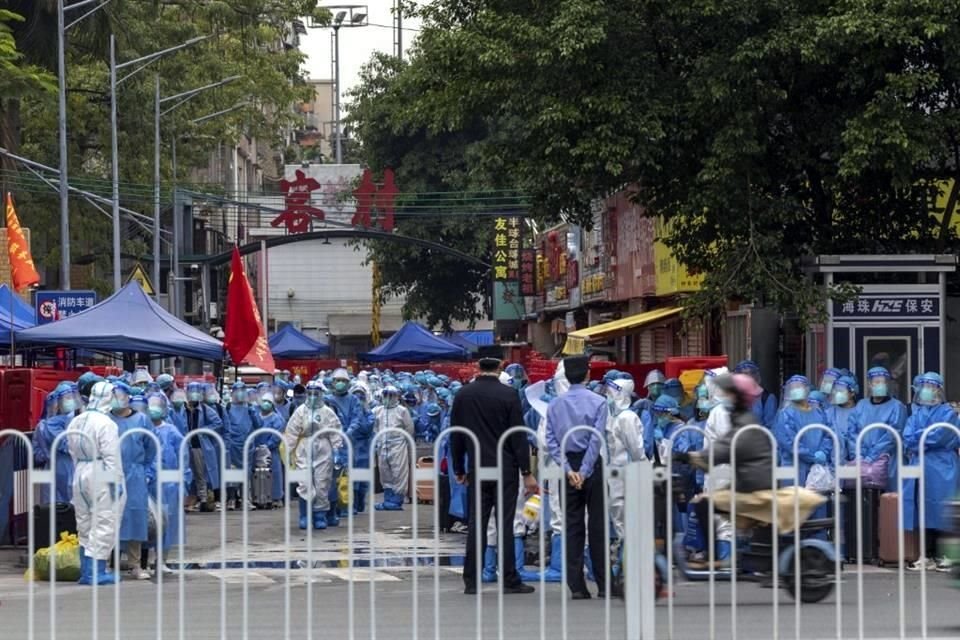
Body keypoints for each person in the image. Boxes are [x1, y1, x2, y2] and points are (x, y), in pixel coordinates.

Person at [450, 357, 536, 595]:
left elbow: (456, 435)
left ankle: (471, 580)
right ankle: (509, 578)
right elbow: (518, 436)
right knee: (505, 524)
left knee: (477, 523)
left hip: (477, 466)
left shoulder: (463, 395)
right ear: (499, 367)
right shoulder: (509, 395)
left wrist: (458, 467)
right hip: (504, 467)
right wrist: (526, 471)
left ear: (478, 367)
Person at [682, 374, 772, 566]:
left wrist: (695, 458)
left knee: (716, 514)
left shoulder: (735, 417)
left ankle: (722, 558)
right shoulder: (738, 415)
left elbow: (726, 446)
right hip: (735, 475)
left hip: (740, 479)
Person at [545, 355, 608, 600]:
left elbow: (551, 440)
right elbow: (595, 439)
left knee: (572, 525)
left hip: (567, 464)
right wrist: (584, 470)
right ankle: (604, 583)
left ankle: (577, 586)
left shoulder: (554, 405)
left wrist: (568, 469)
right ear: (587, 375)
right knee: (597, 524)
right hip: (590, 465)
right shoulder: (599, 402)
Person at [68, 381, 125, 586]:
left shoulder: (77, 420)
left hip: (80, 471)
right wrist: (116, 482)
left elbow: (71, 451)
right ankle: (96, 572)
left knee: (84, 522)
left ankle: (85, 570)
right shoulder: (106, 423)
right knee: (104, 521)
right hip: (100, 472)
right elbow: (111, 456)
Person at [902, 372, 960, 572]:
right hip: (921, 465)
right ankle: (925, 555)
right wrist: (923, 437)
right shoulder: (917, 413)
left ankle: (945, 556)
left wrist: (921, 438)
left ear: (939, 389)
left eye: (931, 386)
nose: (926, 389)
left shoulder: (947, 413)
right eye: (924, 385)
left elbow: (940, 436)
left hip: (943, 467)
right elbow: (907, 436)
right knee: (923, 511)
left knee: (943, 510)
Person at [110, 382, 156, 581]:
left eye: (120, 395)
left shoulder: (142, 420)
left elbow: (151, 447)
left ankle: (135, 564)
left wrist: (145, 470)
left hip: (135, 474)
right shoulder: (106, 419)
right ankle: (109, 563)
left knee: (136, 517)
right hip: (111, 473)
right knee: (110, 518)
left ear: (128, 397)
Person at [282, 381, 343, 530]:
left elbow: (336, 431)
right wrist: (289, 451)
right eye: (310, 393)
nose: (313, 397)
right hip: (304, 447)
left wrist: (337, 451)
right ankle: (305, 515)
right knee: (304, 482)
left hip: (323, 447)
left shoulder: (328, 412)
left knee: (322, 482)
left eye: (316, 394)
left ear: (322, 394)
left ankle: (319, 516)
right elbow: (292, 432)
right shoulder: (300, 411)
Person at [145, 392, 190, 573]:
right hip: (149, 483)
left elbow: (183, 458)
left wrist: (184, 481)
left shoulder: (171, 432)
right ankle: (145, 560)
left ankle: (162, 560)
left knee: (168, 522)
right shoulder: (144, 429)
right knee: (149, 522)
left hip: (170, 484)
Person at [845, 366, 908, 492]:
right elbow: (852, 432)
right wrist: (859, 454)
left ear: (888, 384)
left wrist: (872, 456)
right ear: (869, 384)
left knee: (888, 501)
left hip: (889, 460)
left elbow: (892, 435)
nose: (880, 385)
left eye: (883, 382)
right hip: (862, 461)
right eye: (876, 382)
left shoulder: (897, 407)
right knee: (864, 502)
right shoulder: (862, 405)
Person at [605, 377, 646, 542]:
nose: (607, 396)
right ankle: (624, 556)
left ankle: (630, 556)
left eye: (610, 393)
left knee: (627, 514)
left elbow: (636, 449)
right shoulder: (614, 416)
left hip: (627, 472)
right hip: (616, 473)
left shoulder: (627, 417)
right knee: (618, 513)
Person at [774, 375, 833, 487]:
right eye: (792, 388)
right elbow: (789, 442)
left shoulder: (819, 413)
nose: (795, 390)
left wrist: (823, 452)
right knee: (794, 502)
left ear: (807, 389)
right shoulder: (785, 414)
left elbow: (828, 434)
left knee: (816, 501)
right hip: (793, 468)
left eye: (798, 387)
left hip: (816, 468)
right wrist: (812, 457)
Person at [373, 386, 416, 511]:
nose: (388, 398)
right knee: (384, 471)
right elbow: (375, 427)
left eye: (390, 395)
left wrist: (406, 442)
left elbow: (409, 428)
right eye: (385, 395)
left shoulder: (402, 410)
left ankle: (397, 500)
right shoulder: (377, 410)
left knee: (398, 471)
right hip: (382, 444)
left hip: (397, 445)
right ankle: (387, 499)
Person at [34, 387, 78, 504]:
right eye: (67, 398)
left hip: (71, 469)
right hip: (55, 470)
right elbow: (36, 452)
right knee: (53, 509)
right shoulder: (47, 425)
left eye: (72, 397)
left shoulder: (76, 420)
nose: (71, 401)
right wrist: (46, 455)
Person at [225, 381, 258, 511]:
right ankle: (232, 499)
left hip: (247, 445)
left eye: (242, 390)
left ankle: (245, 499)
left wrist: (254, 413)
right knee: (233, 472)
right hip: (233, 445)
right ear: (232, 392)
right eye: (237, 390)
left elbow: (258, 425)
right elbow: (225, 425)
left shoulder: (249, 408)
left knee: (246, 473)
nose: (240, 393)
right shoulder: (228, 407)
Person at [346, 383, 376, 513]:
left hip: (364, 448)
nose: (358, 398)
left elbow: (366, 428)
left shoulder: (369, 413)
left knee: (362, 478)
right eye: (356, 396)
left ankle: (360, 502)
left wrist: (360, 415)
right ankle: (350, 504)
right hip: (350, 446)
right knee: (349, 477)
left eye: (361, 396)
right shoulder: (348, 411)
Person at [255, 392, 286, 508]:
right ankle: (259, 497)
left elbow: (277, 435)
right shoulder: (257, 416)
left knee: (274, 474)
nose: (266, 404)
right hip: (257, 450)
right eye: (264, 401)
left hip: (272, 451)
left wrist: (268, 445)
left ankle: (276, 498)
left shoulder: (277, 419)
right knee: (258, 475)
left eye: (269, 402)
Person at [733, 360, 777, 429]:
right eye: (743, 375)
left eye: (749, 374)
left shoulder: (767, 398)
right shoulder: (735, 397)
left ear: (755, 376)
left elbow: (770, 425)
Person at [826, 375, 858, 463]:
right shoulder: (829, 413)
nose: (837, 393)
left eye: (841, 391)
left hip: (858, 465)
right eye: (836, 390)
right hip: (833, 464)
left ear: (852, 393)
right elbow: (824, 439)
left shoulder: (860, 412)